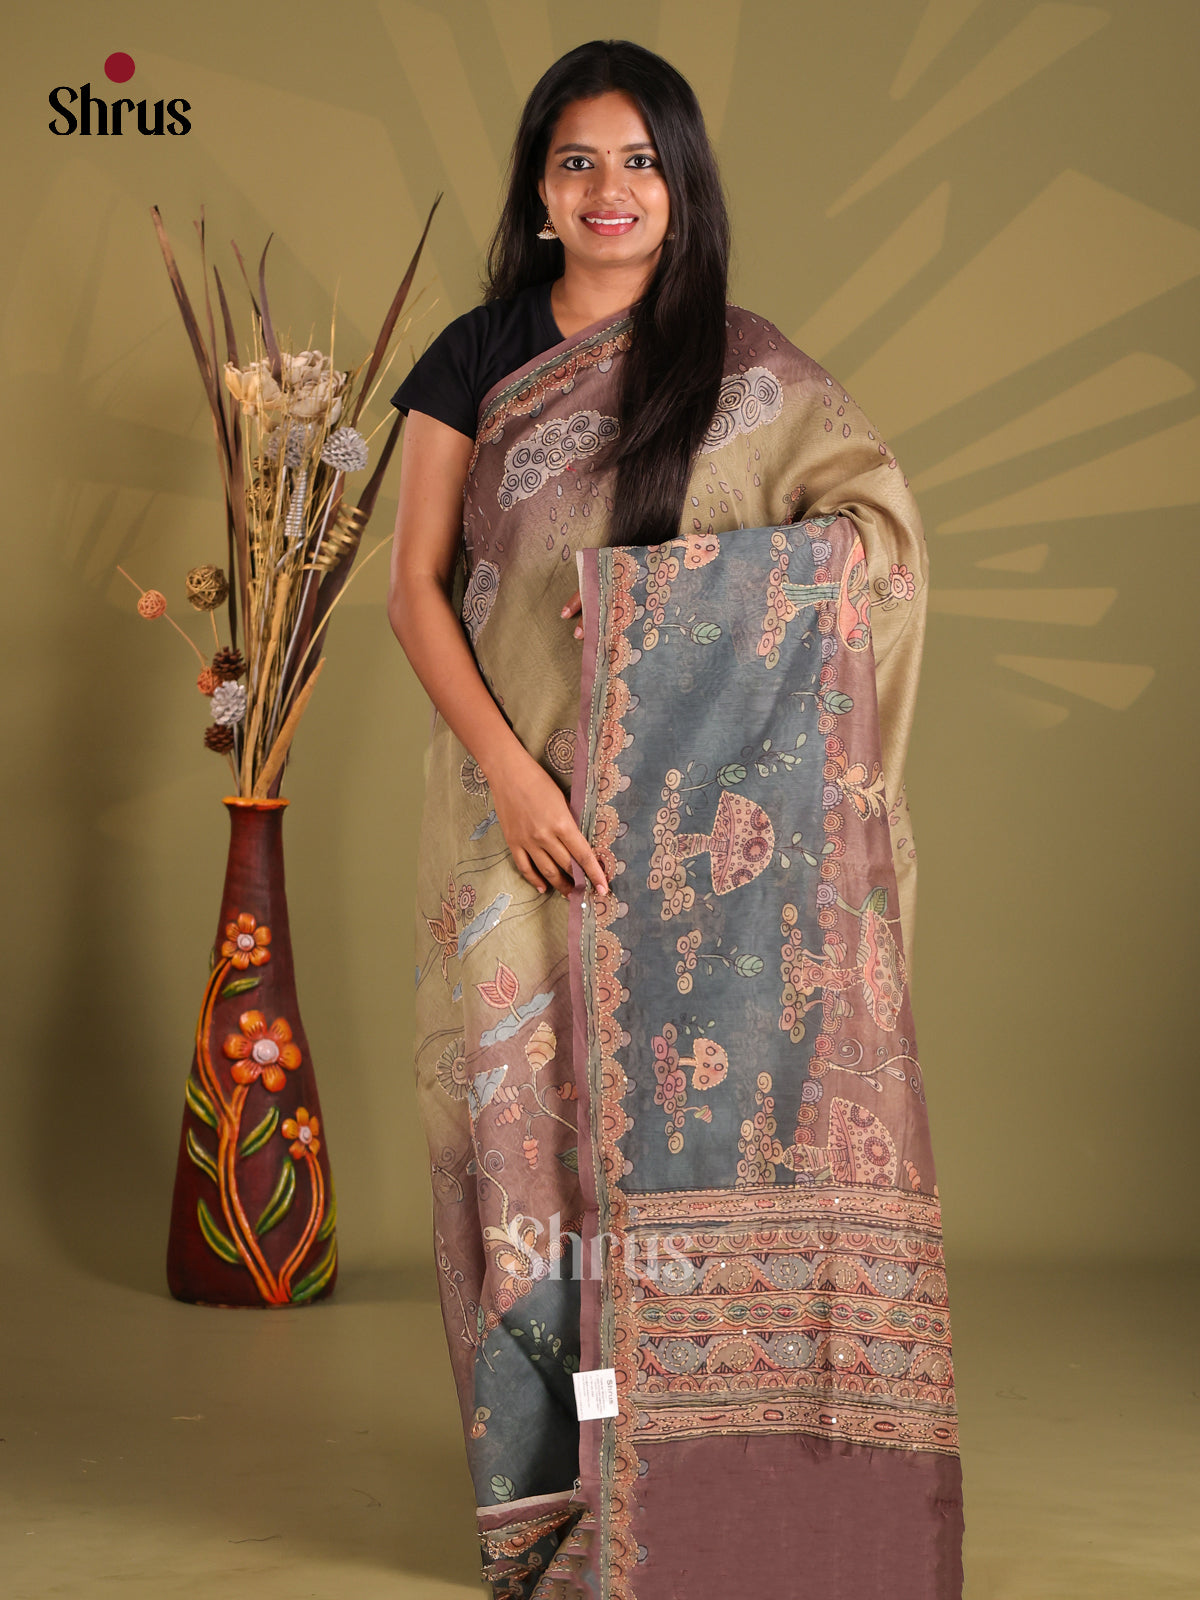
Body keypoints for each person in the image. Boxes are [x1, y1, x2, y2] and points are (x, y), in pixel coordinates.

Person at [388, 38, 963, 1600]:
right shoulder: (476, 356)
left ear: (682, 184)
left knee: (691, 1156)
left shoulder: (751, 368)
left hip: (708, 857)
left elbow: (876, 542)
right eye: (577, 160)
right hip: (513, 827)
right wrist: (515, 775)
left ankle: (707, 1496)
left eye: (640, 161)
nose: (610, 189)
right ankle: (559, 1508)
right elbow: (415, 591)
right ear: (538, 187)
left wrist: (684, 602)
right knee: (526, 1164)